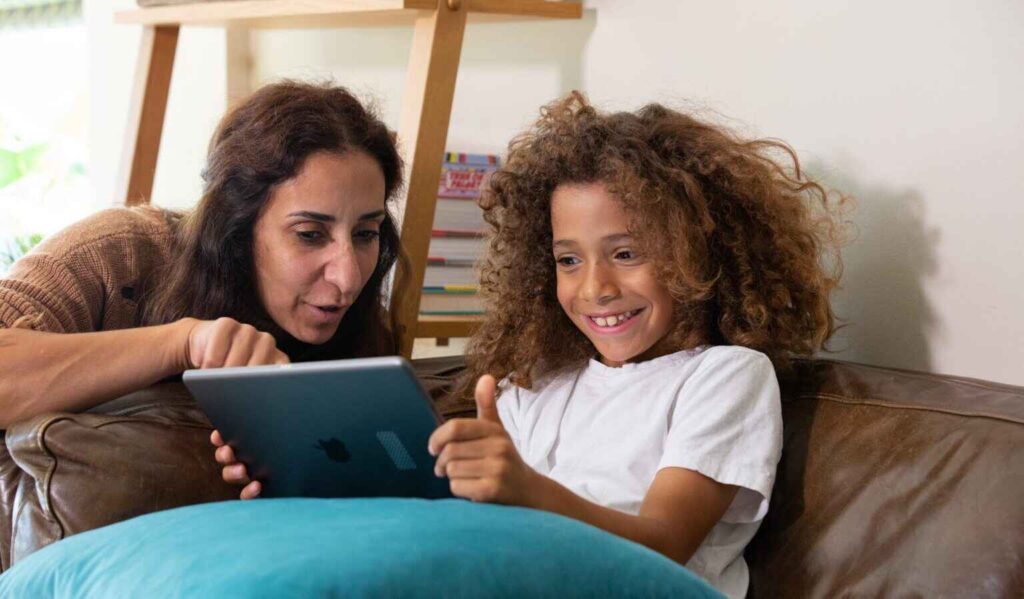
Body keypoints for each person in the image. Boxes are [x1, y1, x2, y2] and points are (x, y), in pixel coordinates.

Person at [425, 93, 844, 599]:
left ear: (696, 251)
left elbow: (662, 545)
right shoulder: (538, 383)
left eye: (626, 253)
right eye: (568, 261)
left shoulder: (726, 376)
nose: (596, 288)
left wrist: (527, 489)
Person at [0, 80, 406, 429]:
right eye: (310, 234)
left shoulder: (362, 330)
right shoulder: (114, 254)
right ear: (236, 225)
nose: (348, 277)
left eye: (365, 233)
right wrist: (185, 342)